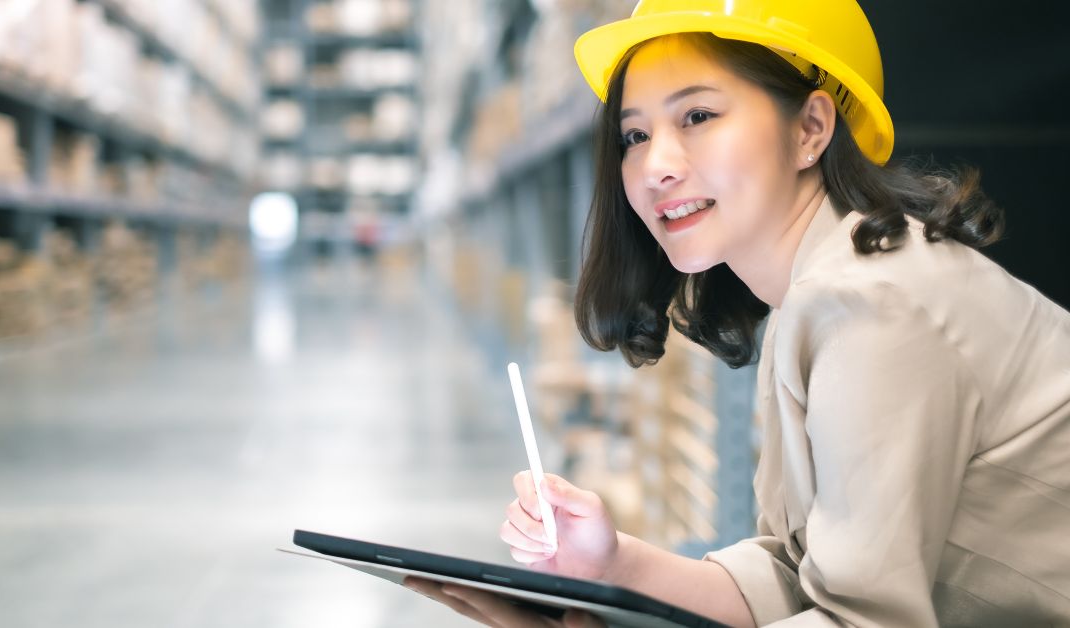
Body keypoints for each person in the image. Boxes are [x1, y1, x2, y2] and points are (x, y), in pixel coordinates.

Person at [406, 0, 1070, 625]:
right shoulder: (820, 296)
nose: (655, 165)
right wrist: (610, 564)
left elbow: (860, 618)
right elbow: (795, 572)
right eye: (634, 134)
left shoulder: (874, 307)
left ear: (810, 128)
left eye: (697, 117)